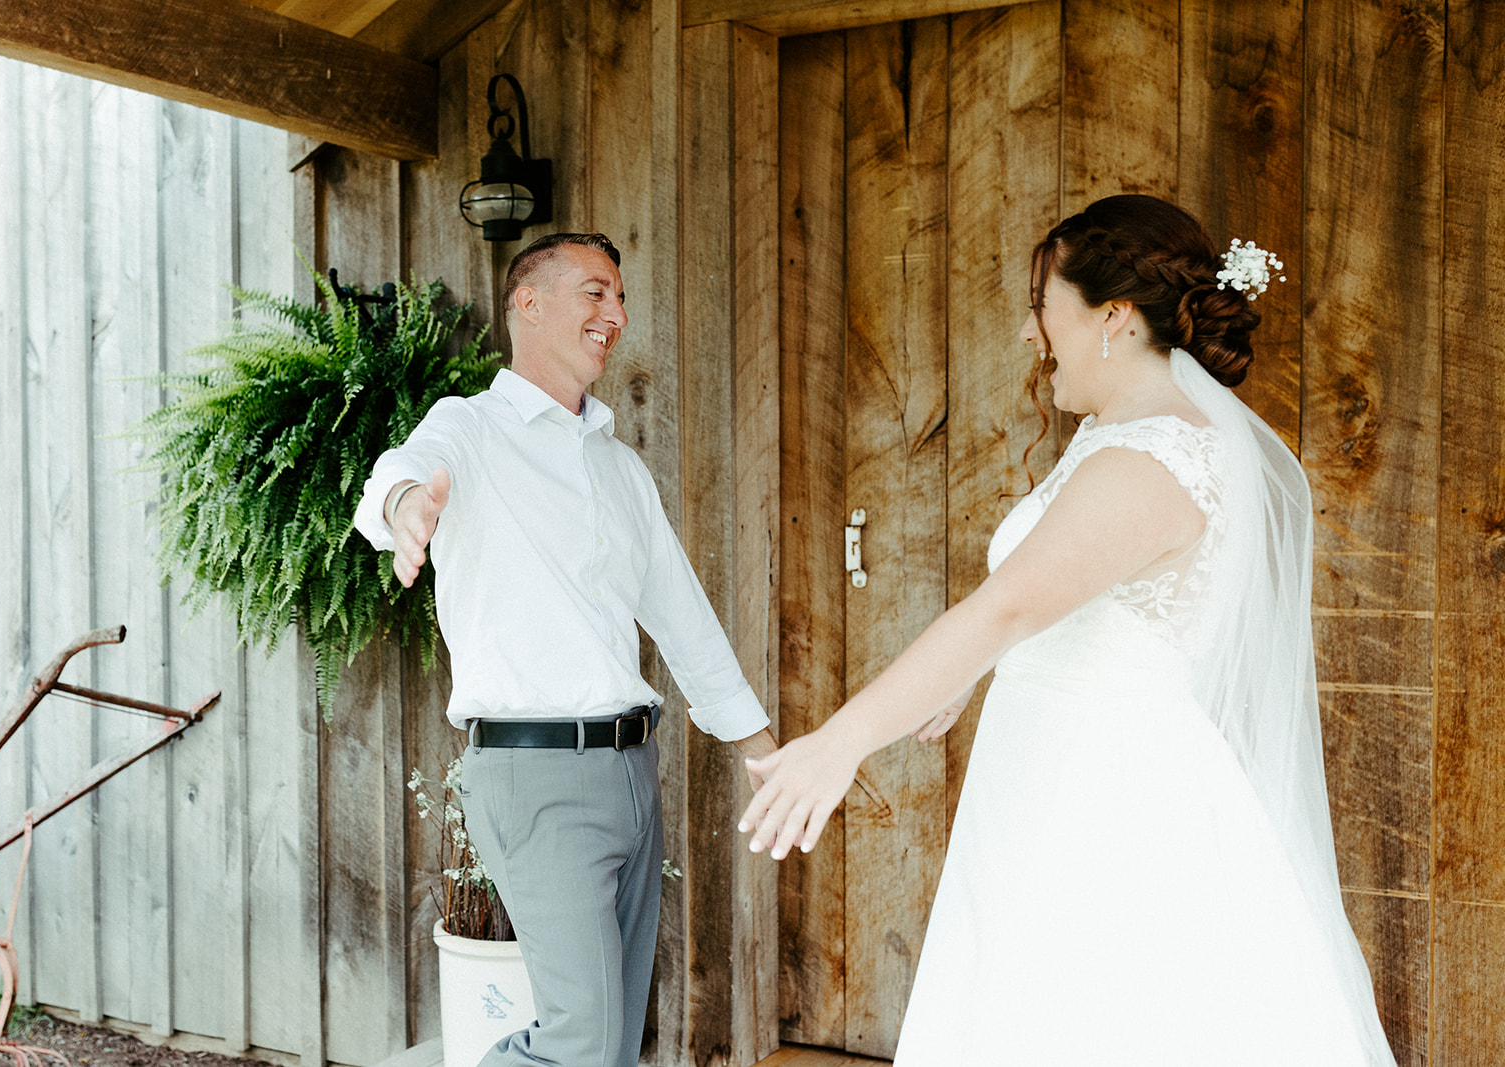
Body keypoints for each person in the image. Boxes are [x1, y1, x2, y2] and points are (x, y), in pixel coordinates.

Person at [738, 196, 1396, 1066]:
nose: (1027, 331)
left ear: (1112, 319)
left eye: (1043, 305)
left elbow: (1007, 603)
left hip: (1105, 795)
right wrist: (980, 668)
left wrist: (841, 740)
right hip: (1052, 762)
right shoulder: (1119, 439)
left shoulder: (1149, 458)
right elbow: (1065, 600)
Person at [354, 232, 777, 1067]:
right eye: (596, 292)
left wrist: (764, 752)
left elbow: (683, 617)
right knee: (580, 1042)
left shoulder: (620, 469)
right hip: (536, 775)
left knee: (614, 1044)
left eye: (620, 298)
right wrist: (407, 507)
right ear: (529, 303)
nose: (616, 314)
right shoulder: (469, 428)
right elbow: (396, 474)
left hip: (631, 771)